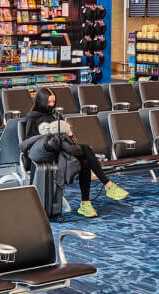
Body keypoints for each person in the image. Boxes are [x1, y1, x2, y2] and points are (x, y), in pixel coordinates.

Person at [20, 88, 129, 219]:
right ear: (41, 101)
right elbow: (30, 142)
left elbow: (68, 139)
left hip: (62, 151)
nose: (52, 105)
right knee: (86, 150)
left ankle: (85, 203)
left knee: (85, 161)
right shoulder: (33, 117)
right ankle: (107, 185)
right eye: (49, 102)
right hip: (45, 154)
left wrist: (69, 134)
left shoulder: (56, 115)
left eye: (54, 102)